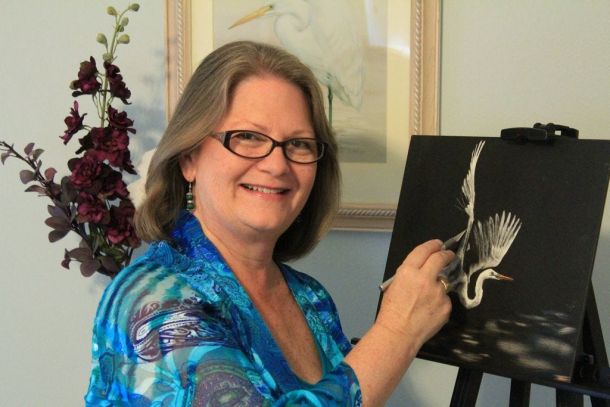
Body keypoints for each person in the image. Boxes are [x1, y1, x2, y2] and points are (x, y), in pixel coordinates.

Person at [85, 40, 453, 406]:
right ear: (189, 158)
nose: (277, 166)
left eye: (299, 144)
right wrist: (397, 330)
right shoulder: (153, 302)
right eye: (247, 137)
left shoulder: (308, 296)